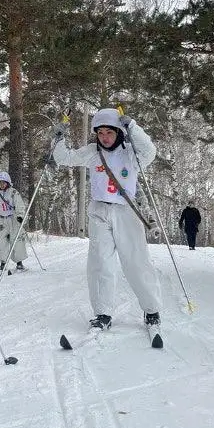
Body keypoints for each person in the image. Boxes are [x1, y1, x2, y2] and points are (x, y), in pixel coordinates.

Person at [51, 108, 163, 339]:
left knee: (135, 261)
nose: (104, 137)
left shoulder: (131, 153)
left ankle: (151, 310)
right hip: (99, 211)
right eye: (100, 132)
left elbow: (150, 151)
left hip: (126, 211)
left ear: (118, 131)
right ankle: (103, 313)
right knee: (100, 262)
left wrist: (133, 126)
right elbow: (63, 158)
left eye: (109, 132)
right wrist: (58, 137)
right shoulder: (93, 152)